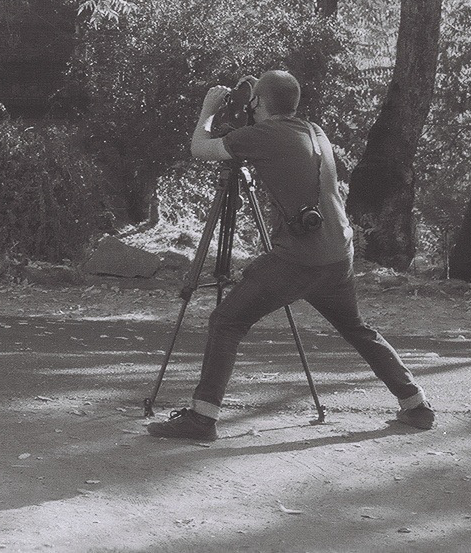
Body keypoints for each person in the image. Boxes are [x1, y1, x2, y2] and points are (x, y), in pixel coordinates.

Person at [146, 68, 436, 441]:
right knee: (356, 328)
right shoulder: (316, 132)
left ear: (257, 103)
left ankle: (202, 419)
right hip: (338, 256)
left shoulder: (263, 134)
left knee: (226, 322)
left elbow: (200, 148)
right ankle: (416, 404)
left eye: (252, 103)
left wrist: (209, 110)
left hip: (299, 260)